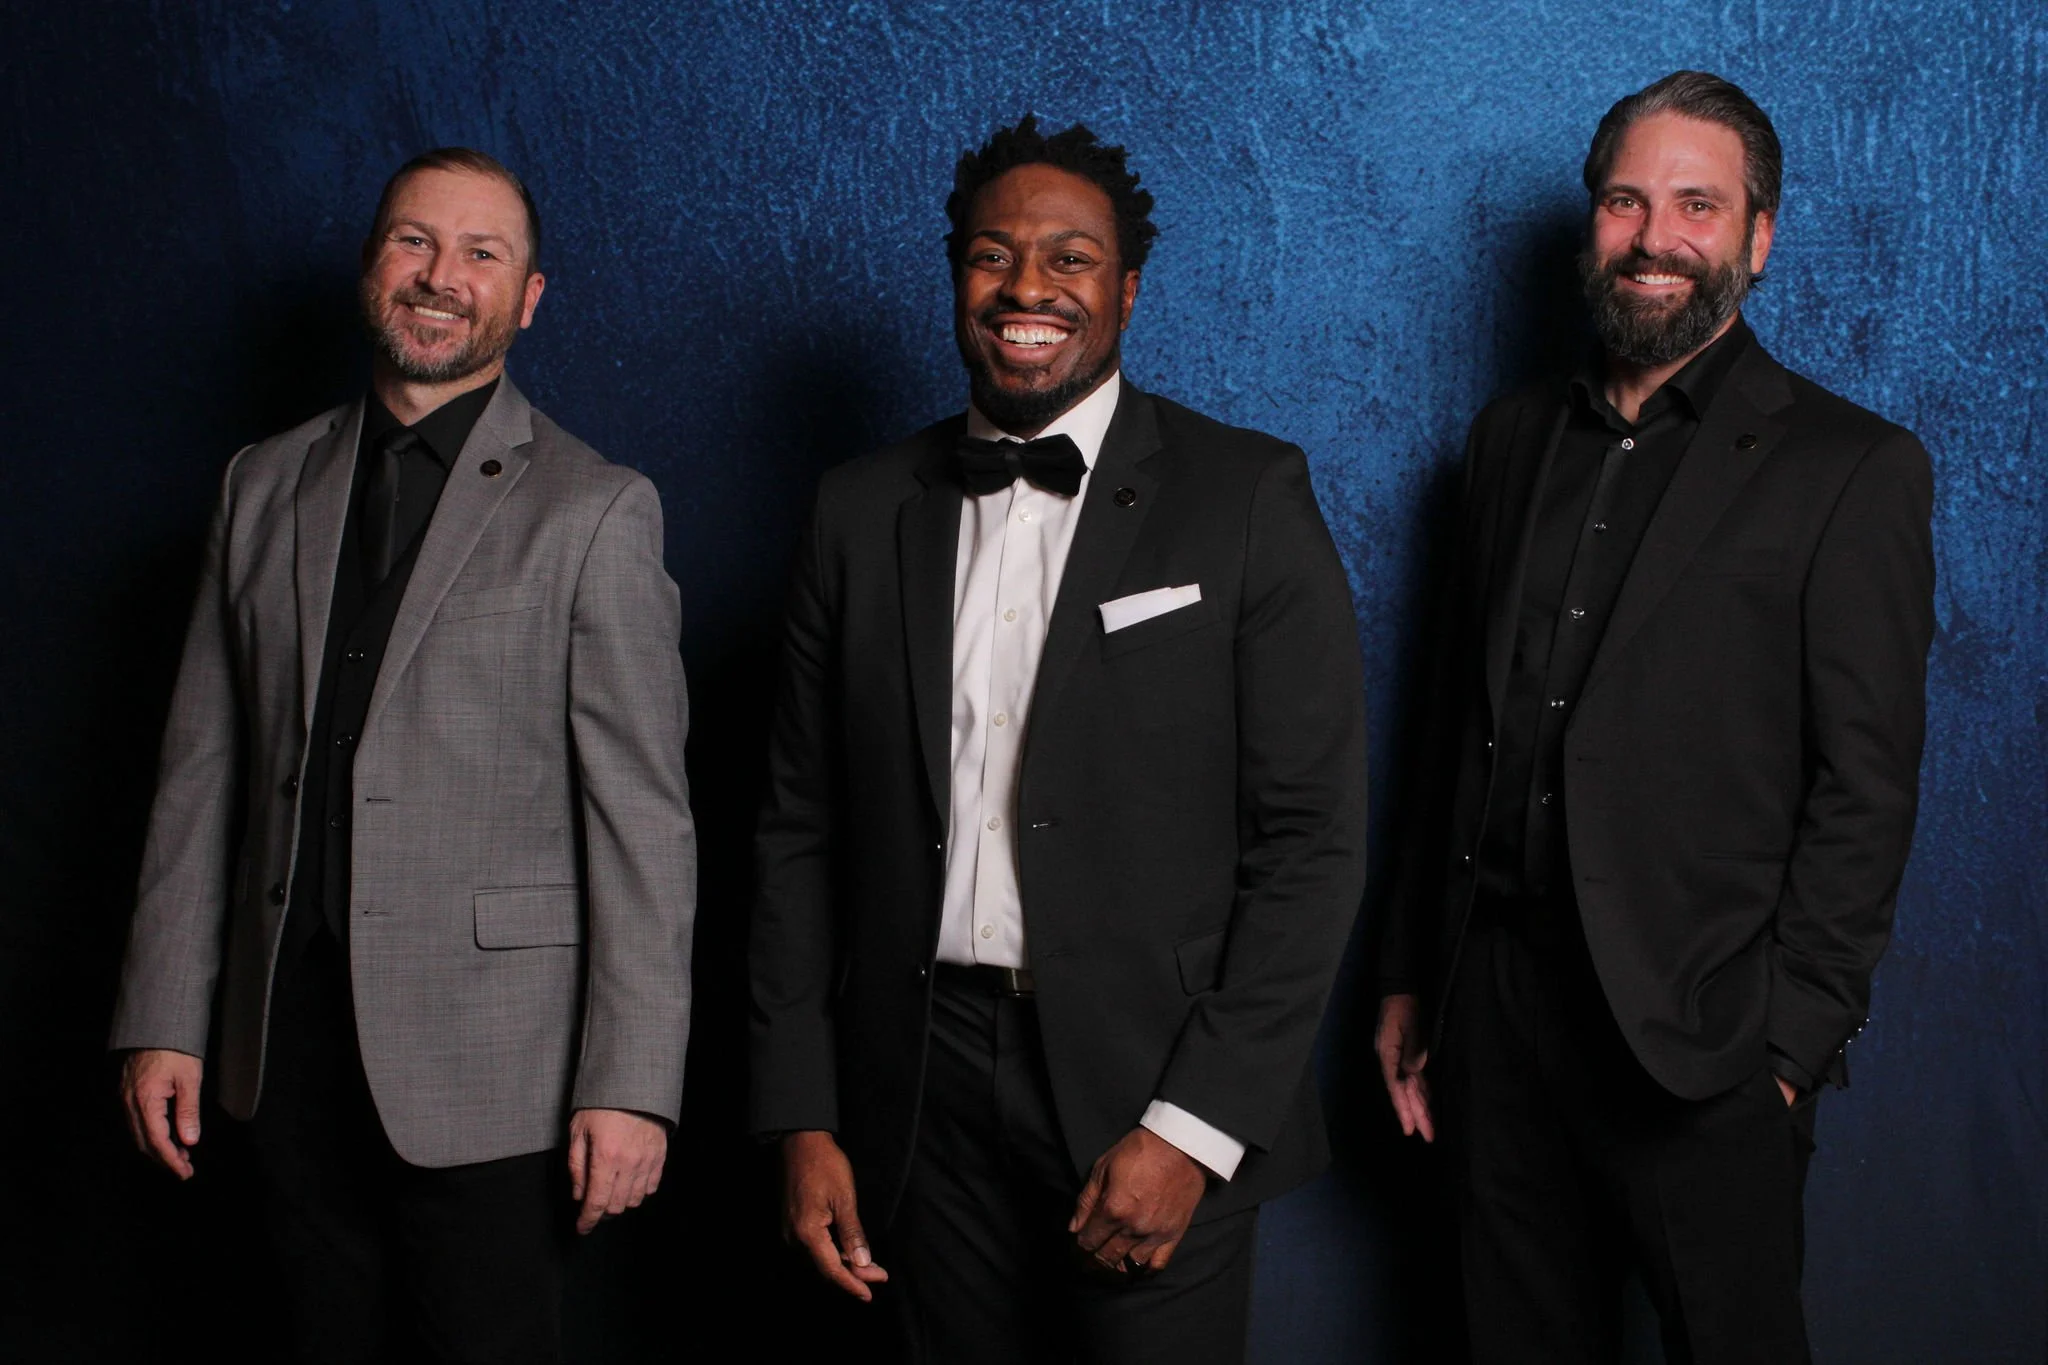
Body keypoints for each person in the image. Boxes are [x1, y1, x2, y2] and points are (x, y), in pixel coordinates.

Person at [749, 116, 1369, 1363]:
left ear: (1128, 289)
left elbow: (1310, 841)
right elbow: (796, 831)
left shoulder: (1246, 495)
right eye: (992, 255)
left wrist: (1192, 1127)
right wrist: (800, 1112)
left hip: (1149, 1081)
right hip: (913, 1091)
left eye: (1069, 258)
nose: (1027, 287)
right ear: (957, 279)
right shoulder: (857, 510)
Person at [1373, 71, 1935, 1364]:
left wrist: (1784, 1049)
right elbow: (1450, 725)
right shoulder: (1507, 440)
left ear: (1757, 237)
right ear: (1593, 224)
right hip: (1493, 1015)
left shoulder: (1849, 470)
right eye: (1627, 200)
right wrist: (1416, 971)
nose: (1655, 236)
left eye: (1697, 204)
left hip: (1702, 1040)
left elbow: (1868, 787)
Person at [110, 148, 696, 1365]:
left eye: (482, 254)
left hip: (499, 1066)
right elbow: (200, 772)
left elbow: (644, 824)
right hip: (281, 1051)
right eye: (413, 242)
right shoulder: (261, 484)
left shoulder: (595, 510)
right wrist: (162, 1012)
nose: (441, 277)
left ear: (527, 298)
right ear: (372, 263)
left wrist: (630, 1084)